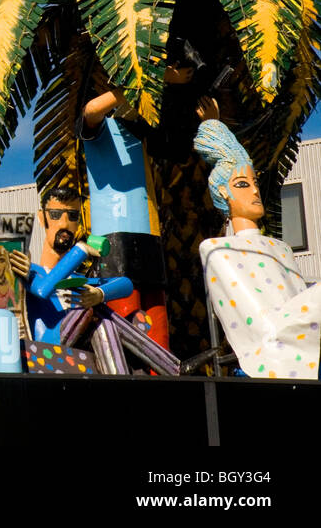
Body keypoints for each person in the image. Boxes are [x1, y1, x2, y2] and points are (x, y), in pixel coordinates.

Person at [78, 41, 219, 349]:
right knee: (126, 324)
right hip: (114, 238)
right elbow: (90, 110)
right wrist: (146, 81)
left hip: (151, 238)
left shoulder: (143, 130)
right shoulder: (104, 129)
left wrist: (210, 123)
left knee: (158, 330)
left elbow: (180, 149)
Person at [193, 120, 321, 379]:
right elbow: (258, 320)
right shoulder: (217, 248)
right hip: (274, 337)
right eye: (242, 184)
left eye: (255, 183)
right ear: (222, 190)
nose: (254, 191)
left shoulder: (281, 248)